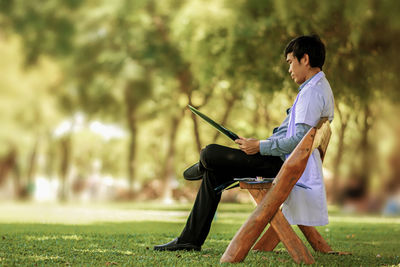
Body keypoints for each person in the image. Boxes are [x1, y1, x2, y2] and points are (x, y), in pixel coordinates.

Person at [154, 34, 334, 251]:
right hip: (284, 162)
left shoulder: (312, 93)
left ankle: (203, 164)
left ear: (304, 59)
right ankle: (189, 240)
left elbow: (297, 142)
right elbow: (296, 138)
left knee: (210, 153)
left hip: (282, 166)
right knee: (214, 174)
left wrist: (259, 146)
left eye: (290, 62)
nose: (289, 69)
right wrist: (260, 144)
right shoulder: (316, 87)